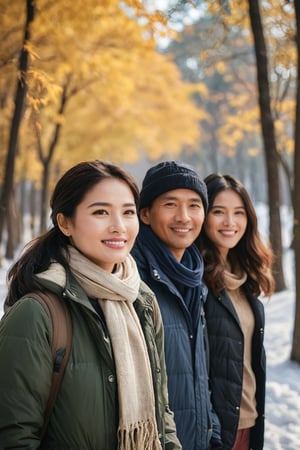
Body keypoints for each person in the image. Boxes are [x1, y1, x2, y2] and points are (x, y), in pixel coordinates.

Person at [0, 160, 182, 450]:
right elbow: (14, 437)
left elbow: (162, 413)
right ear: (65, 223)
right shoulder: (35, 314)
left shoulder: (142, 302)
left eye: (128, 212)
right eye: (100, 212)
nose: (118, 226)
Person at [131, 160, 222, 450]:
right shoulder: (132, 280)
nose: (184, 217)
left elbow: (199, 374)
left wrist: (212, 434)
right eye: (170, 204)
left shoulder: (196, 279)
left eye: (194, 205)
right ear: (145, 214)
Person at [196, 173, 275, 450]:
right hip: (216, 432)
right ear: (203, 216)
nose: (230, 222)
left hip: (249, 423)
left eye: (239, 213)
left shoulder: (245, 278)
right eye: (219, 212)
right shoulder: (196, 281)